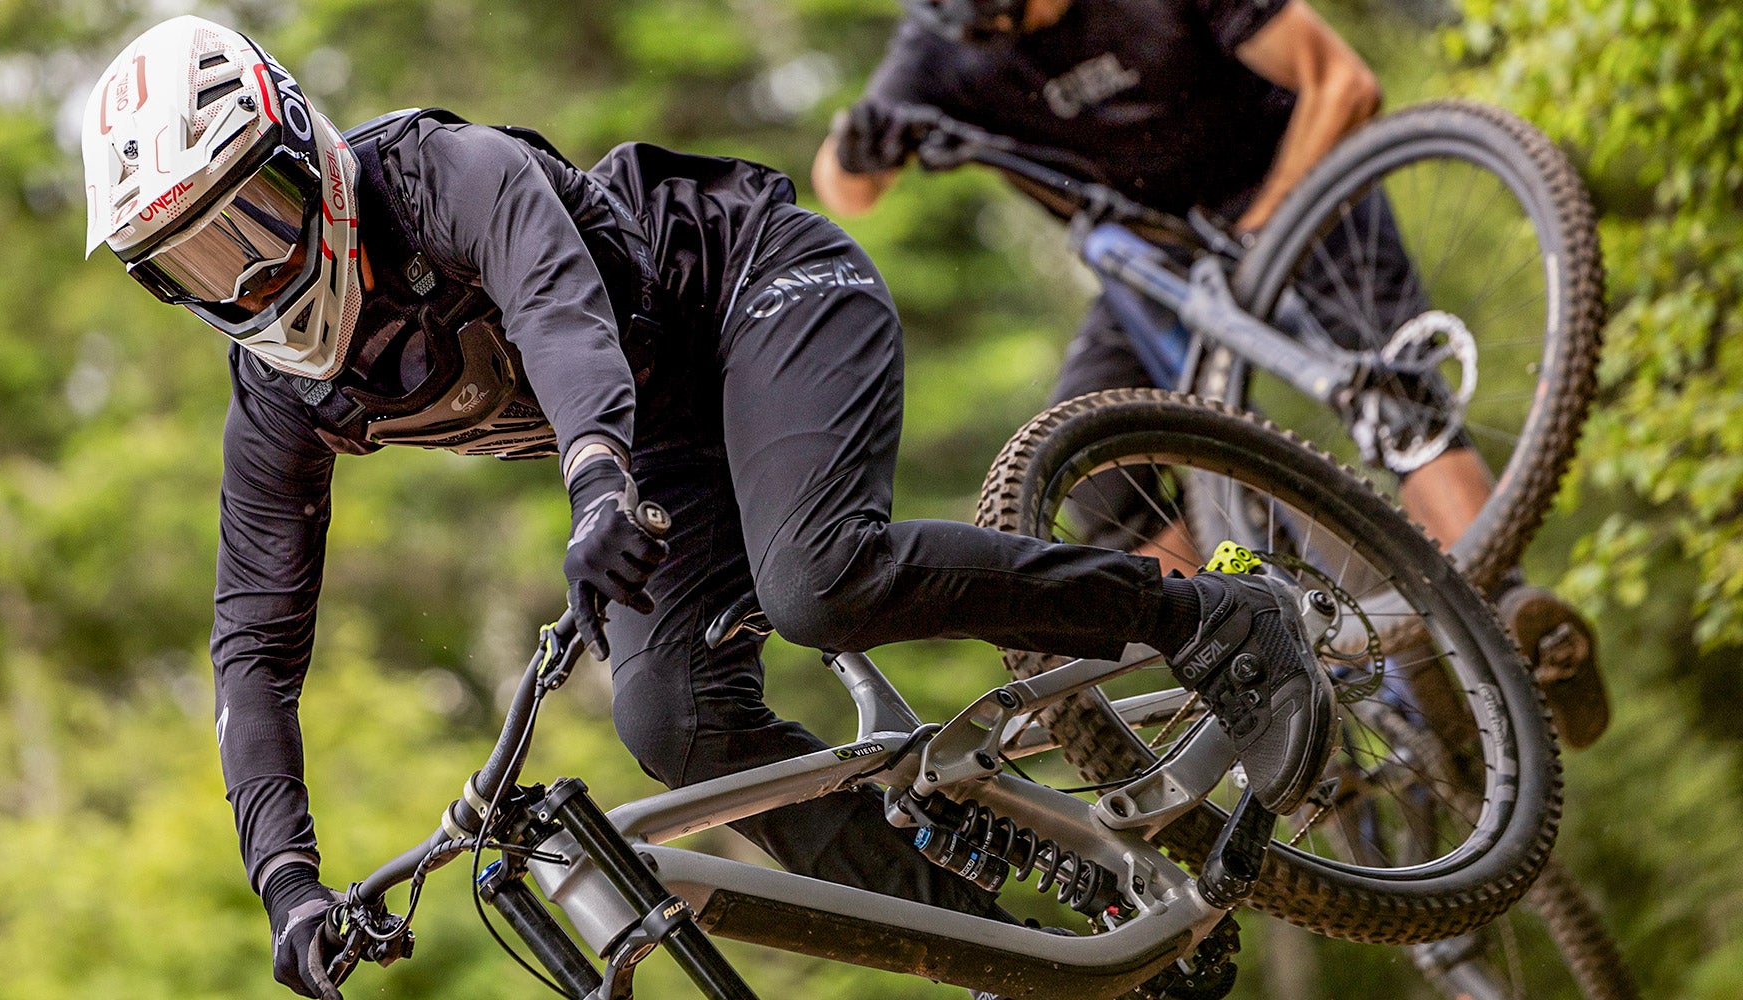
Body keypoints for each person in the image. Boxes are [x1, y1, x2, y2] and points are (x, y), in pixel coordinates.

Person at [82, 17, 1336, 997]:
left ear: (307, 152)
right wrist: (287, 884)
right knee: (674, 726)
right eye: (192, 263)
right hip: (661, 444)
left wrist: (594, 483)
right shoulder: (280, 399)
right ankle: (1010, 956)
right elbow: (253, 651)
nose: (245, 275)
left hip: (759, 287)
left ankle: (1210, 620)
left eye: (255, 216)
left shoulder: (441, 176)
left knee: (818, 582)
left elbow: (559, 303)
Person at [812, 0, 1608, 748]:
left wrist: (1264, 229)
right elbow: (845, 188)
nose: (1027, 24)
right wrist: (858, 147)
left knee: (1389, 393)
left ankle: (1508, 617)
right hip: (1159, 265)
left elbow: (1343, 82)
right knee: (1094, 474)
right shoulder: (945, 45)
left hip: (1291, 182)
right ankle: (1280, 662)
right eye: (1006, 18)